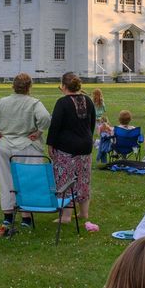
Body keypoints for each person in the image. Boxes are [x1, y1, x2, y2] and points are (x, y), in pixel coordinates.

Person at [0, 72, 52, 237]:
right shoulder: (34, 103)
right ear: (29, 87)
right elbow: (45, 118)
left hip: (6, 145)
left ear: (13, 86)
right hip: (26, 145)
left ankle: (7, 216)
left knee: (6, 179)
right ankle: (26, 217)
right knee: (28, 180)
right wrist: (39, 131)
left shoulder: (2, 102)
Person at [46, 73, 97, 227]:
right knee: (83, 178)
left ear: (64, 86)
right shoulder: (88, 100)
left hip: (66, 146)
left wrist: (50, 144)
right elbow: (92, 122)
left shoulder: (62, 102)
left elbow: (55, 126)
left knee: (65, 178)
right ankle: (83, 212)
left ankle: (66, 215)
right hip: (85, 144)